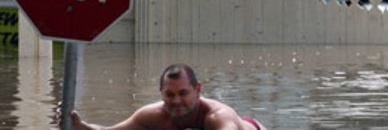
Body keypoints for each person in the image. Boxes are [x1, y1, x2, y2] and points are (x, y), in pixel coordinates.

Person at [60, 63, 267, 130]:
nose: (176, 101)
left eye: (183, 93)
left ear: (198, 90)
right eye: (170, 94)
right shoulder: (153, 116)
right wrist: (81, 125)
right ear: (161, 94)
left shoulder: (218, 116)